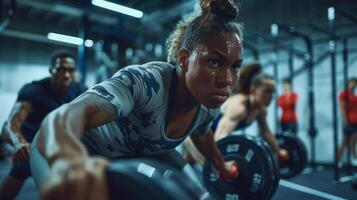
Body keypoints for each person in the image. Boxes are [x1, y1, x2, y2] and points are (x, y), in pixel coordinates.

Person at [30, 0, 244, 199]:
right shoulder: (145, 82)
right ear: (184, 59)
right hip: (61, 145)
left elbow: (202, 134)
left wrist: (221, 166)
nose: (226, 80)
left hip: (128, 157)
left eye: (235, 67)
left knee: (192, 193)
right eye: (214, 62)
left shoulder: (209, 102)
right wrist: (67, 159)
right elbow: (68, 113)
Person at [0, 49, 87, 200]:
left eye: (70, 70)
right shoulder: (33, 90)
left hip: (59, 142)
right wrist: (18, 143)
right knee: (21, 169)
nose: (66, 75)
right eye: (61, 69)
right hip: (32, 144)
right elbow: (11, 124)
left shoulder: (80, 90)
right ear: (51, 70)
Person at [184, 62, 289, 166]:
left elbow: (266, 133)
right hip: (196, 135)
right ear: (253, 90)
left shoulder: (260, 110)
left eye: (273, 92)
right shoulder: (239, 107)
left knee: (186, 166)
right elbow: (221, 136)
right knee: (215, 168)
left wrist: (278, 151)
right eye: (267, 91)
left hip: (207, 137)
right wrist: (223, 163)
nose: (271, 96)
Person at [337, 77, 357, 167]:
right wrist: (345, 122)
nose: (353, 85)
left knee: (353, 141)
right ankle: (338, 161)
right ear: (348, 83)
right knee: (344, 143)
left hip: (356, 122)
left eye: (354, 83)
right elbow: (343, 109)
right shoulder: (343, 94)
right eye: (351, 83)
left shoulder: (354, 96)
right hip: (348, 122)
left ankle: (354, 159)